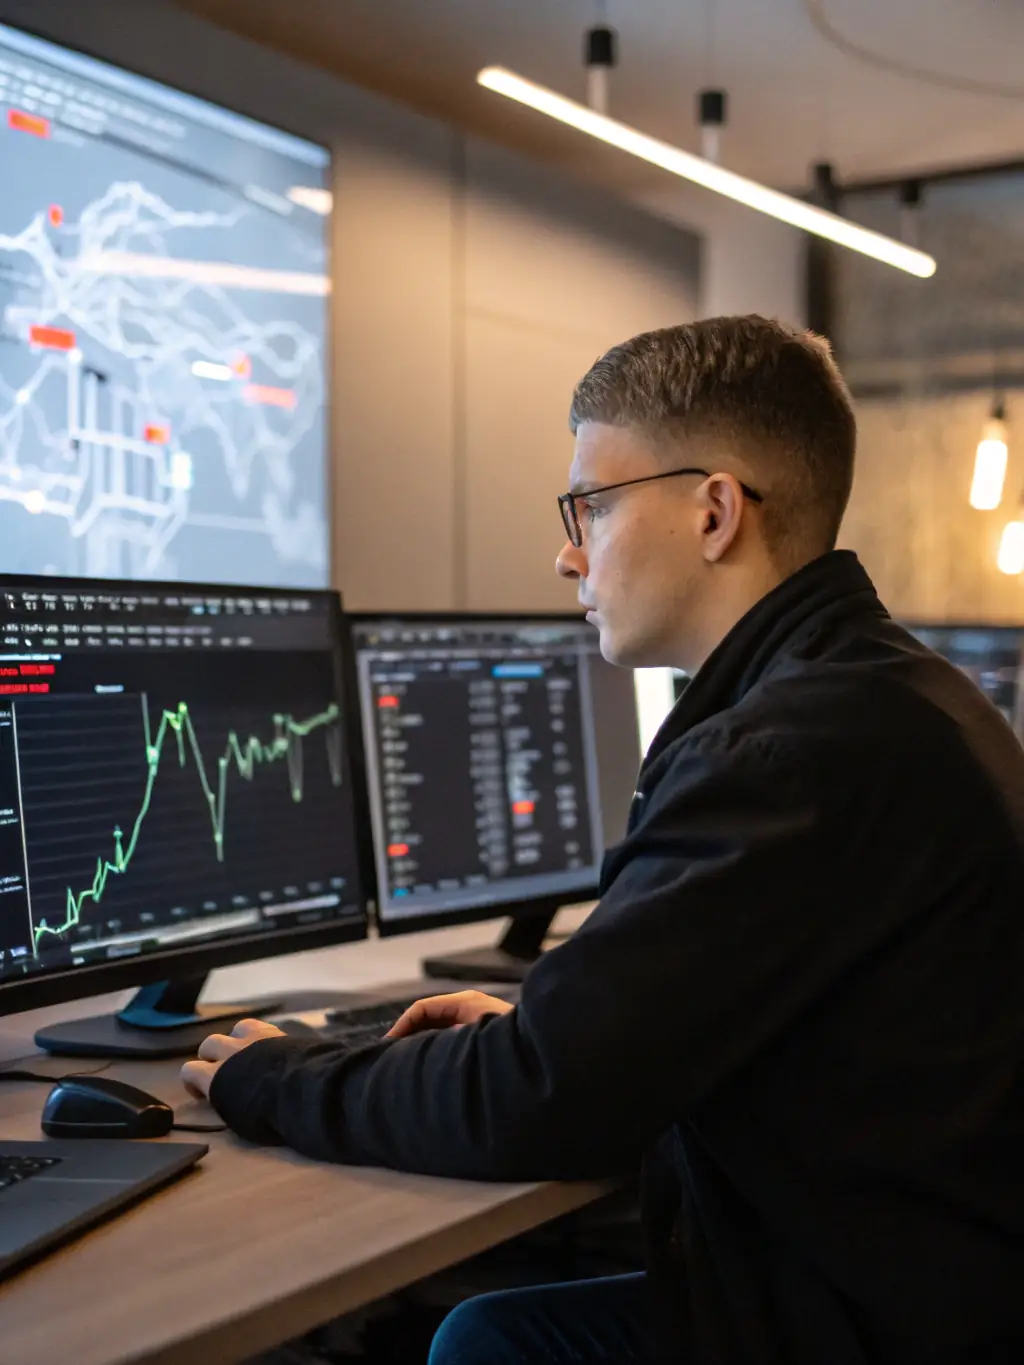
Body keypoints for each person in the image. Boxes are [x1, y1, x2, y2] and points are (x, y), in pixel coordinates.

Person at [184, 316, 1024, 1365]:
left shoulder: (786, 752)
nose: (566, 550)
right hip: (928, 1292)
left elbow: (536, 1106)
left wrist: (272, 1078)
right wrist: (560, 1030)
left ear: (714, 511)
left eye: (590, 505)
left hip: (863, 1329)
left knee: (487, 1345)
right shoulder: (890, 695)